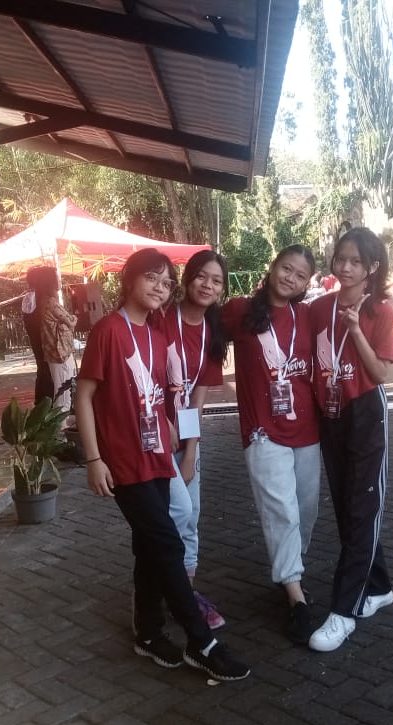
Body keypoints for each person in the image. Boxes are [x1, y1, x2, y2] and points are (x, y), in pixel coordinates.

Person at [76, 249, 249, 682]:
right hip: (124, 460)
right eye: (151, 278)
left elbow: (163, 393)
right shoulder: (108, 331)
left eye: (166, 281)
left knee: (149, 544)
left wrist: (177, 433)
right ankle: (201, 642)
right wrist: (94, 458)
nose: (160, 287)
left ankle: (149, 632)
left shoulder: (156, 334)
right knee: (167, 542)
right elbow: (85, 396)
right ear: (129, 279)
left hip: (157, 455)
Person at [221, 245, 320, 645]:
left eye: (300, 275)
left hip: (307, 430)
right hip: (263, 431)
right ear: (273, 266)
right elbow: (195, 327)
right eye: (286, 268)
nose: (290, 278)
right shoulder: (240, 310)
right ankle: (295, 596)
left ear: (306, 283)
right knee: (282, 510)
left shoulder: (307, 315)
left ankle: (290, 568)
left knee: (306, 511)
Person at [307, 227, 393, 652]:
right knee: (346, 507)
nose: (344, 267)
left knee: (363, 507)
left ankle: (344, 611)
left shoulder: (381, 311)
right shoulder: (317, 307)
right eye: (340, 258)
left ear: (371, 267)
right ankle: (379, 586)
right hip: (331, 414)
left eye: (355, 261)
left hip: (365, 412)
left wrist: (356, 329)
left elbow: (380, 374)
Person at [154, 250, 228, 630]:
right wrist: (165, 426)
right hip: (151, 435)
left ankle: (186, 595)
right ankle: (161, 594)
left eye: (216, 281)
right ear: (187, 278)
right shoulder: (161, 318)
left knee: (191, 514)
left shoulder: (212, 331)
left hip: (184, 437)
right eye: (202, 276)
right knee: (176, 513)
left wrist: (191, 450)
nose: (207, 285)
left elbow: (197, 397)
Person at [39, 274, 78, 418]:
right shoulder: (51, 303)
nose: (59, 281)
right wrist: (74, 317)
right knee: (64, 394)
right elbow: (71, 322)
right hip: (60, 353)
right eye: (56, 278)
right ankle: (61, 426)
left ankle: (61, 424)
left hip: (54, 353)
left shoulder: (43, 302)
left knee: (62, 392)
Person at [21, 266, 54, 404]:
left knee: (43, 370)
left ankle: (42, 405)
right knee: (47, 372)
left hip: (41, 353)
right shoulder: (45, 303)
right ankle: (47, 405)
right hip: (50, 352)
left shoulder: (30, 299)